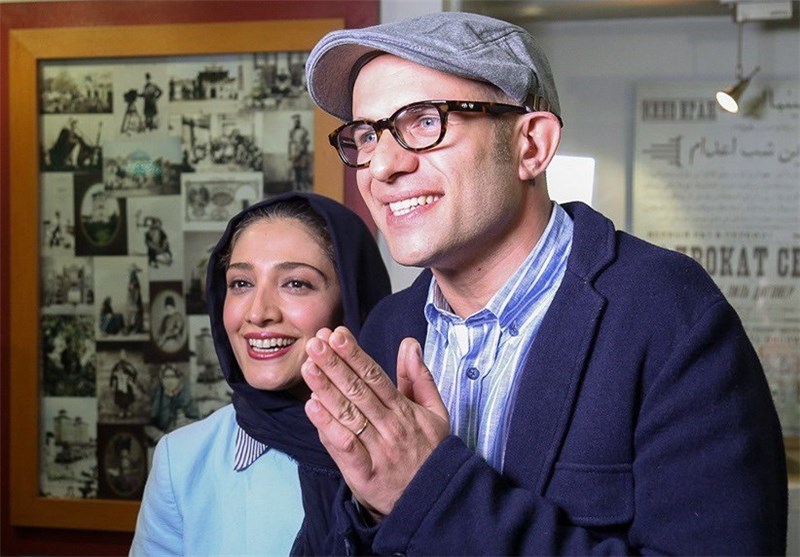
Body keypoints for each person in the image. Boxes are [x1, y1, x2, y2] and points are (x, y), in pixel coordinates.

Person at [298, 12, 788, 556]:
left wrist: (431, 496)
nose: (380, 167)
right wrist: (373, 507)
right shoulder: (387, 328)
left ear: (531, 145)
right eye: (367, 135)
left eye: (424, 121)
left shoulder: (669, 312)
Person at [130, 192, 391, 556]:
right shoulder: (183, 461)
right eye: (241, 283)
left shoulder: (408, 448)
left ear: (352, 302)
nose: (258, 313)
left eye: (295, 283)